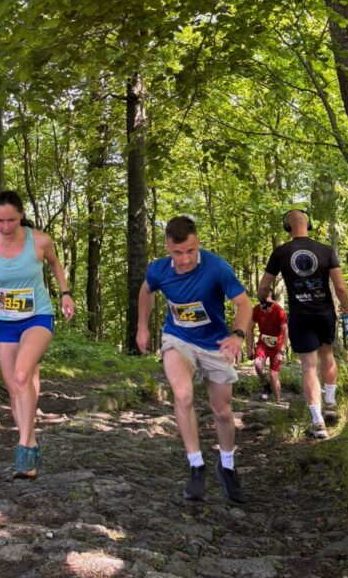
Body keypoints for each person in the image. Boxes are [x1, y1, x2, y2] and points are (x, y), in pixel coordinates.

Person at [136, 215, 252, 505]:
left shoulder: (216, 267)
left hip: (215, 342)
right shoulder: (158, 270)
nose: (185, 259)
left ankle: (227, 467)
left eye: (190, 250)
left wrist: (238, 335)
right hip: (179, 338)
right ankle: (196, 466)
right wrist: (142, 326)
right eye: (178, 252)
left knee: (222, 411)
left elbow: (243, 303)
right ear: (167, 247)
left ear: (198, 242)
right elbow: (146, 290)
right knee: (182, 394)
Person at [0, 190, 74, 479]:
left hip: (38, 317)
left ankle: (24, 450)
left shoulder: (40, 241)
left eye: (11, 220)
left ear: (21, 215)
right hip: (6, 323)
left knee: (23, 375)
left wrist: (65, 293)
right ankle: (31, 440)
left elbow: (55, 263)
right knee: (15, 388)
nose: (5, 226)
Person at [257, 208, 348, 439]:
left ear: (288, 227)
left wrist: (263, 300)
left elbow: (263, 286)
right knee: (327, 354)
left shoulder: (280, 252)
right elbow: (340, 287)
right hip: (325, 313)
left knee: (309, 366)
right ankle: (330, 403)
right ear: (308, 225)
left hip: (300, 315)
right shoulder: (326, 250)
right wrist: (347, 308)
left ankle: (318, 422)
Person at [246, 294, 288, 404]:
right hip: (263, 344)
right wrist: (249, 348)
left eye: (269, 305)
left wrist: (281, 351)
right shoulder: (256, 309)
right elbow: (249, 329)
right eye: (264, 305)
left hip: (277, 346)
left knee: (273, 374)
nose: (266, 308)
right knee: (257, 365)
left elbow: (285, 332)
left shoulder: (279, 311)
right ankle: (267, 385)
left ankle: (278, 402)